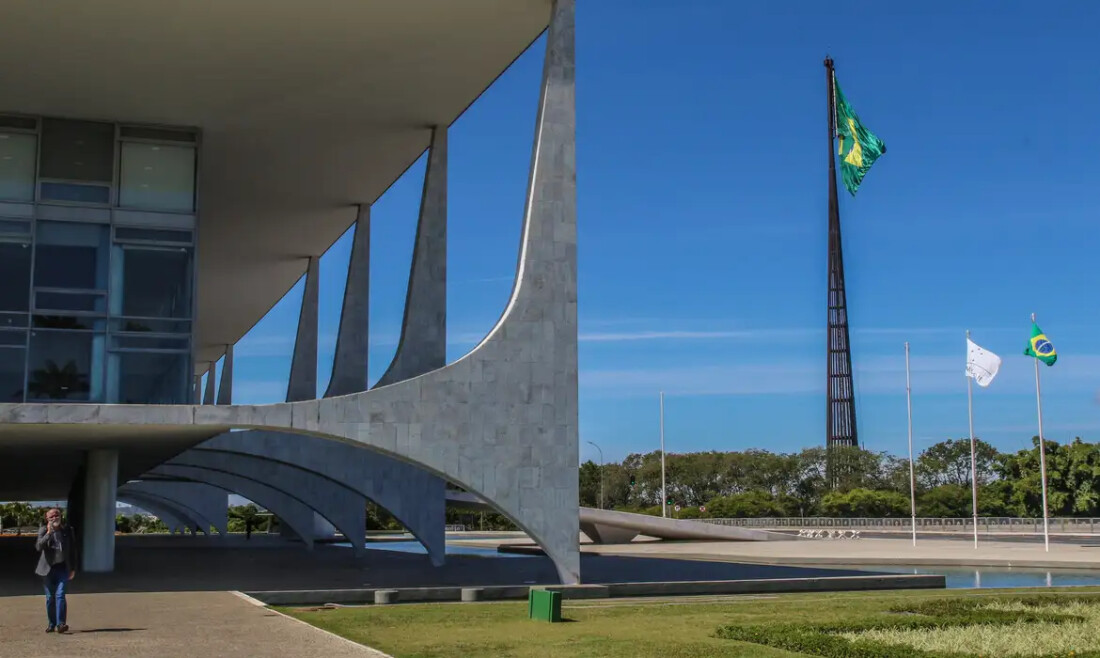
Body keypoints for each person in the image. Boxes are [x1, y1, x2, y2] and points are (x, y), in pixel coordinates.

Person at [35, 508, 77, 634]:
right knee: (50, 598)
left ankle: (61, 624)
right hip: (47, 569)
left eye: (56, 515)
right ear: (47, 519)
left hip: (62, 568)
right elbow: (39, 547)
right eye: (51, 517)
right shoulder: (43, 530)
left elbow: (73, 550)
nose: (54, 518)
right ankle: (51, 623)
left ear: (60, 516)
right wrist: (49, 533)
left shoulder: (68, 530)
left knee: (60, 595)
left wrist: (73, 568)